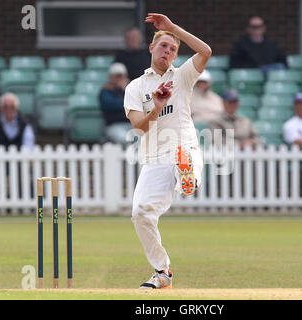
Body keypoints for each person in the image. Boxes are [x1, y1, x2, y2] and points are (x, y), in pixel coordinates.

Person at [124, 13, 211, 289]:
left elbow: (205, 51)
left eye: (173, 49)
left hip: (183, 147)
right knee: (140, 213)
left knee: (183, 158)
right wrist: (158, 107)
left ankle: (189, 177)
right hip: (153, 158)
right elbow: (139, 127)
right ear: (151, 48)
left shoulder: (183, 76)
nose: (168, 51)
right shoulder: (136, 87)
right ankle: (162, 272)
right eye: (164, 46)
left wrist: (173, 28)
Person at [98, 62, 132, 144]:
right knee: (124, 139)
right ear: (111, 77)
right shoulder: (105, 91)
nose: (120, 78)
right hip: (114, 126)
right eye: (117, 76)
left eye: (122, 75)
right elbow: (112, 105)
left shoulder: (131, 90)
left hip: (132, 125)